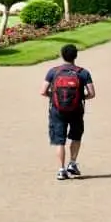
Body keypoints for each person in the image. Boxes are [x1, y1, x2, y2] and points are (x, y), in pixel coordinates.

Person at [42, 43, 95, 180]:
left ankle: (61, 169)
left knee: (60, 140)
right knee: (76, 136)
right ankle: (72, 163)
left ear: (62, 55)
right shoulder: (83, 72)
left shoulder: (53, 71)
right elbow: (92, 93)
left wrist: (53, 96)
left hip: (57, 110)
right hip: (76, 109)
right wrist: (80, 98)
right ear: (75, 56)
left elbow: (43, 91)